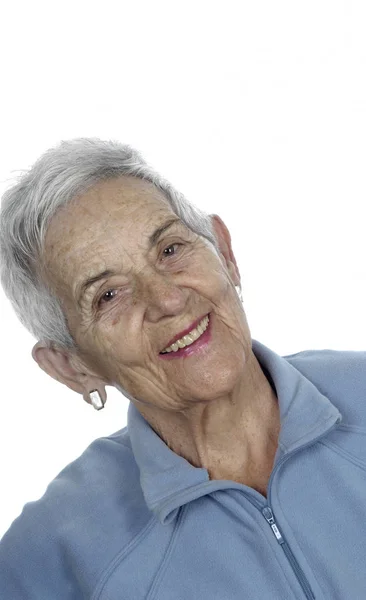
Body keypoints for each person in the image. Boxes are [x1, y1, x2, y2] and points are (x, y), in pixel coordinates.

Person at [0, 138, 365, 600]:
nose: (169, 300)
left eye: (171, 250)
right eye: (108, 295)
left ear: (225, 253)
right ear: (71, 366)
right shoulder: (50, 557)